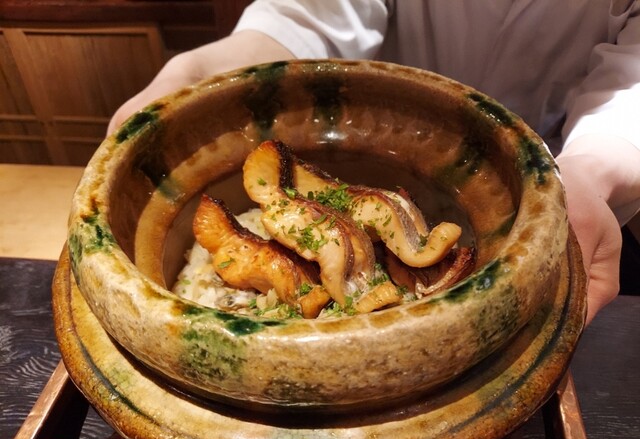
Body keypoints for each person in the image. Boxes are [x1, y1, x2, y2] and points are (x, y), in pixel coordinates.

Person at [108, 0, 640, 325]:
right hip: (383, 133)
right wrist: (201, 71)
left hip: (551, 166)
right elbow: (311, 16)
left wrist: (590, 171)